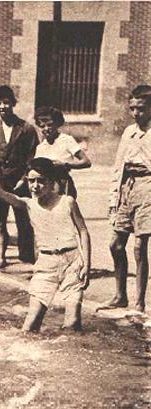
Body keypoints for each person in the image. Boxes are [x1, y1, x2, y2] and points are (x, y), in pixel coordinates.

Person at [0, 157, 91, 331]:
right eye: (31, 181)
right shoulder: (29, 205)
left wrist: (86, 264)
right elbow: (2, 193)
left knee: (72, 321)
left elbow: (83, 231)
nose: (35, 186)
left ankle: (73, 353)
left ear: (51, 181)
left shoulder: (67, 202)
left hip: (72, 262)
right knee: (30, 324)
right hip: (45, 264)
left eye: (40, 181)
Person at [0, 85, 38, 265]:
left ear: (13, 103)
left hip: (20, 181)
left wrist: (25, 179)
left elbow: (32, 156)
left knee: (24, 222)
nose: (3, 106)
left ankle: (27, 258)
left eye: (6, 102)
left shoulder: (26, 128)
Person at [103, 85, 151, 313]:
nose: (135, 113)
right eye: (132, 108)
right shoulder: (128, 132)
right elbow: (117, 167)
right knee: (116, 244)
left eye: (140, 109)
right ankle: (120, 295)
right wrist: (113, 198)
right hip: (127, 188)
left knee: (140, 246)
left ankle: (139, 302)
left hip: (148, 188)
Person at [33, 106, 91, 199]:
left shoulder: (66, 140)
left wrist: (65, 165)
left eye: (50, 125)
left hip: (64, 186)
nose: (46, 129)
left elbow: (86, 162)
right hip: (45, 190)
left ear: (57, 124)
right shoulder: (40, 147)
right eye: (42, 126)